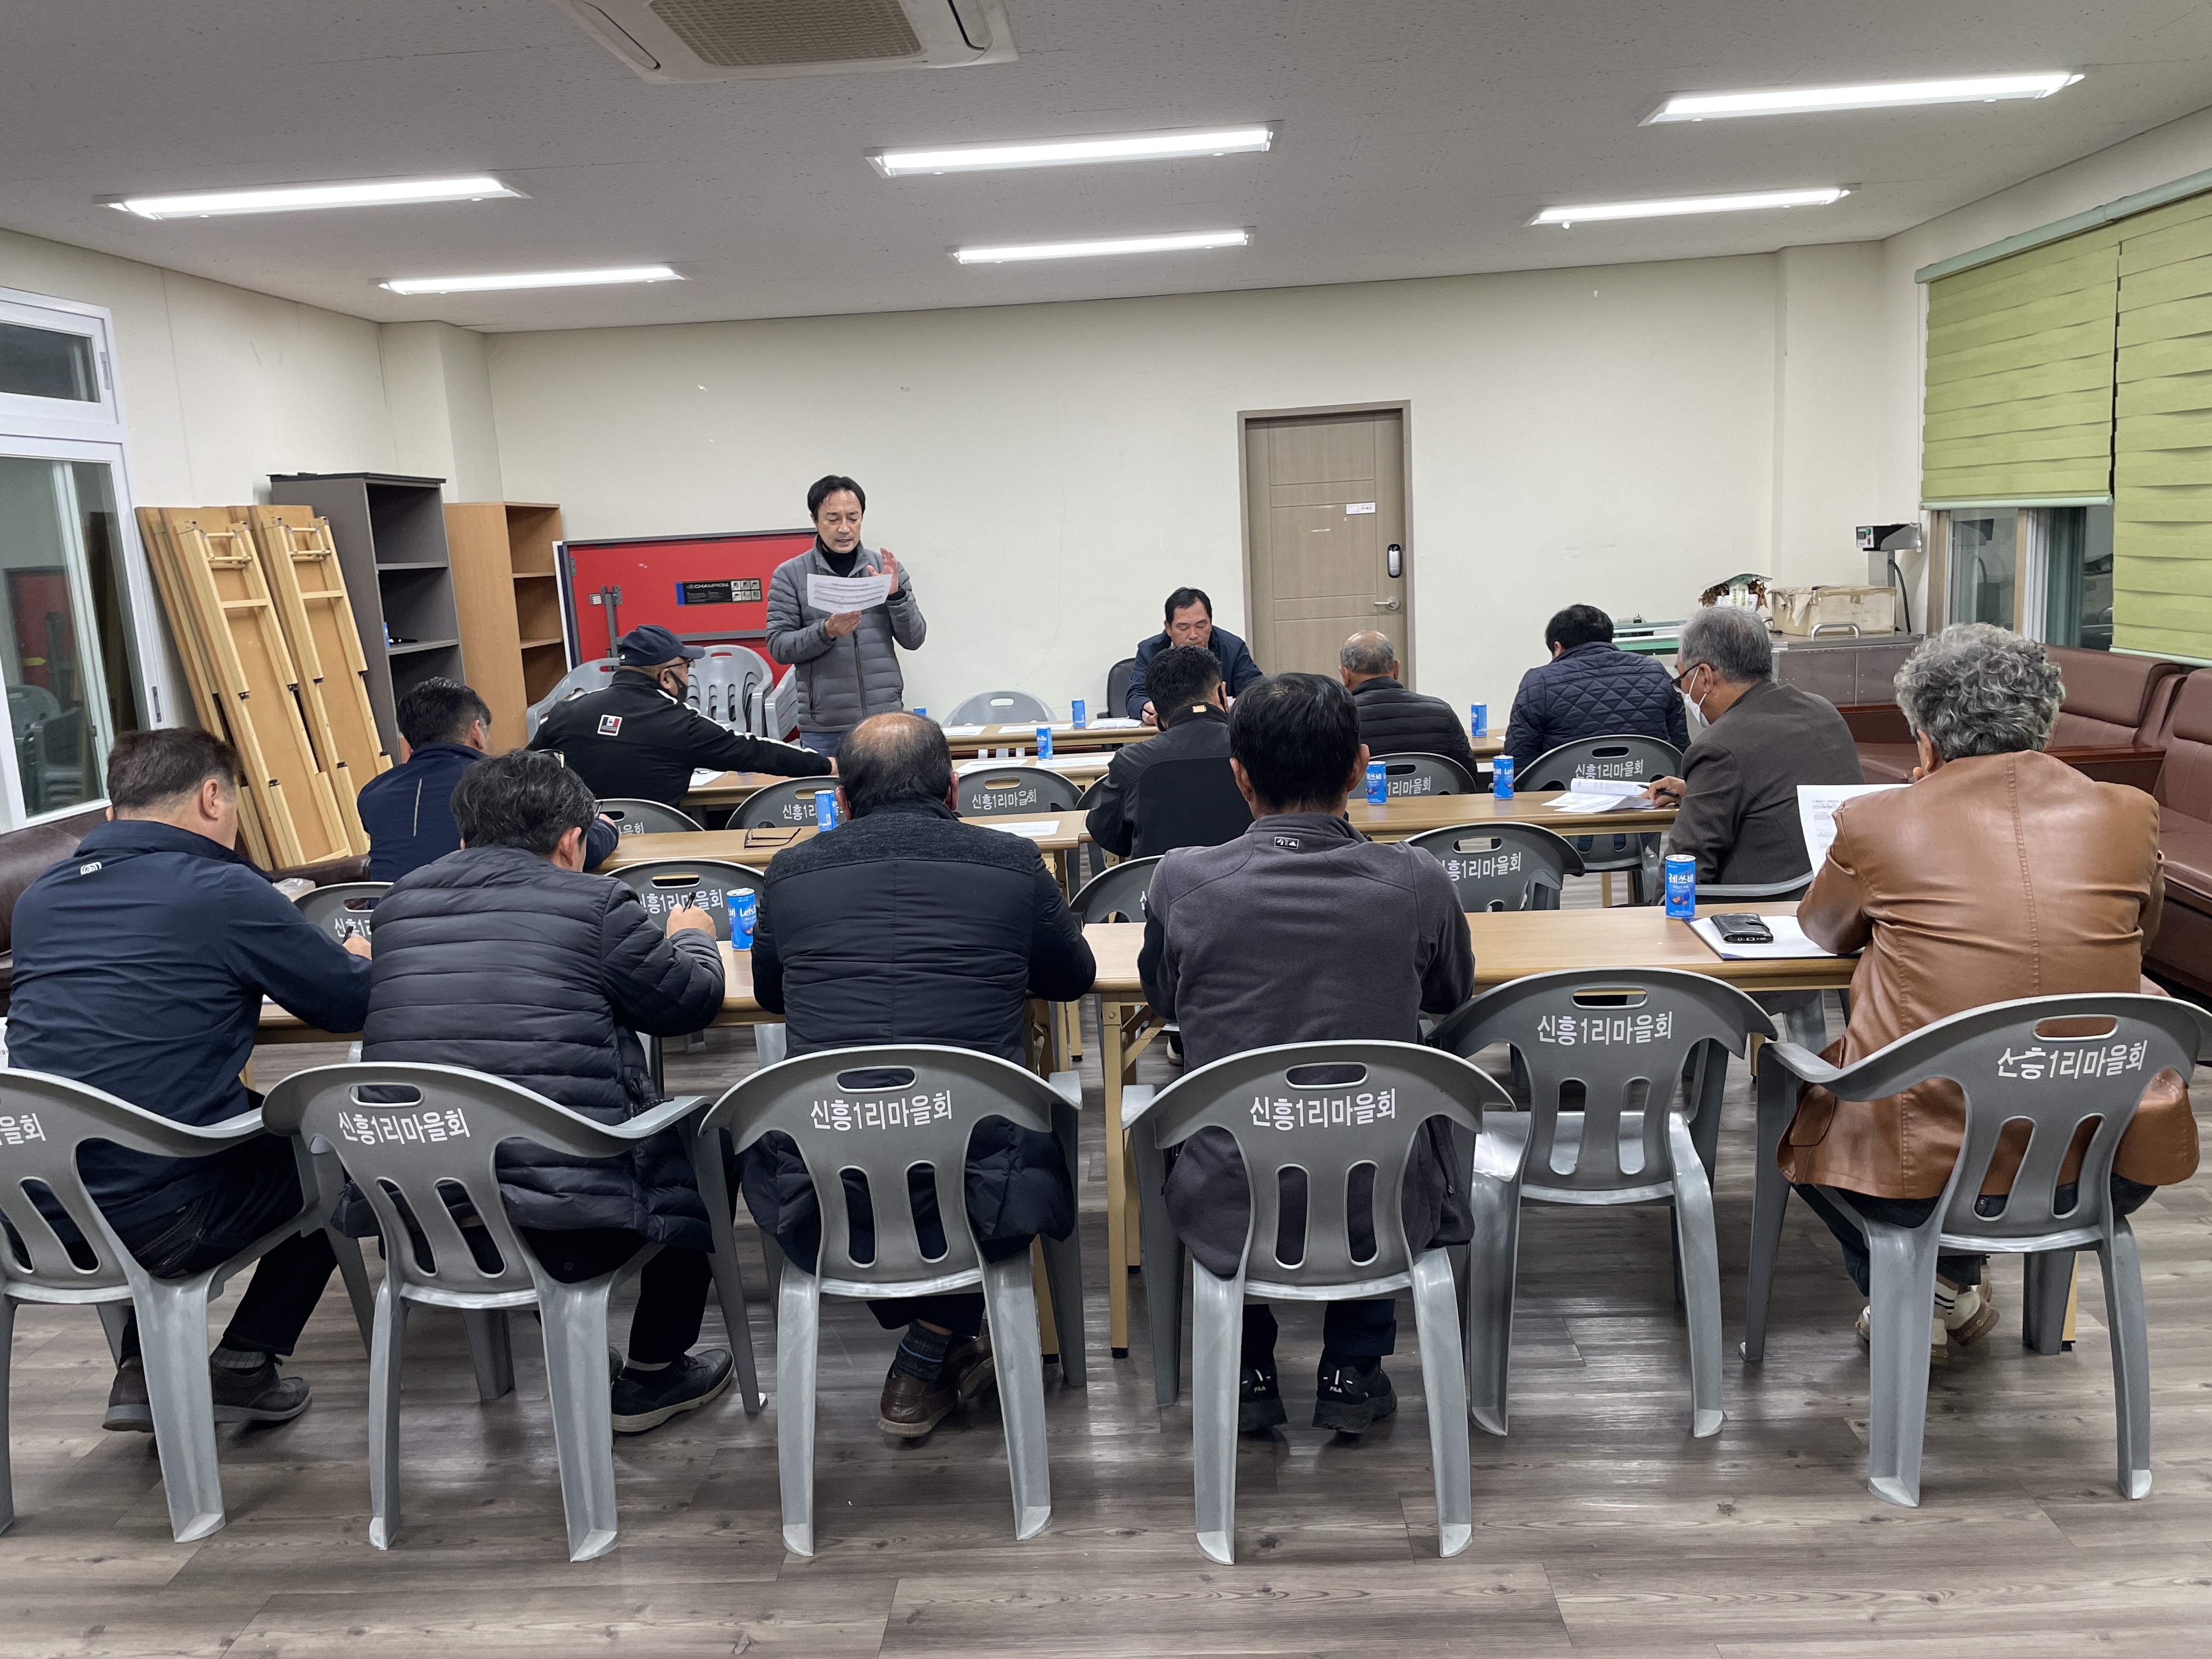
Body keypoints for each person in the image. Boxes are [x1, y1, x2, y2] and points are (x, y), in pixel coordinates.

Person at [1781, 626, 2197, 1364]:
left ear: (1925, 738)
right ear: (2046, 724)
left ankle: (1919, 1294)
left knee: (1803, 1104)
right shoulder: (2130, 814)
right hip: (2104, 1160)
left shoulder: (1876, 821)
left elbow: (1825, 930)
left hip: (1920, 1170)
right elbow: (2142, 935)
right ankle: (1950, 1288)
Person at [359, 749, 737, 1432]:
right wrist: (694, 939)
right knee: (708, 1140)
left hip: (419, 1220)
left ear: (465, 839)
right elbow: (686, 1004)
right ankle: (655, 1371)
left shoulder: (398, 907)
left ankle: (573, 1341)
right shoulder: (596, 904)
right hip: (566, 1229)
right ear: (572, 841)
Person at [739, 713, 1093, 1438]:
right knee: (1005, 1122)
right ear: (953, 789)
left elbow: (774, 994)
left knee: (911, 1150)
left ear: (842, 799)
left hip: (825, 1180)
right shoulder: (1011, 862)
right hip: (982, 1182)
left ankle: (934, 1344)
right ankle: (931, 1346)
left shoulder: (790, 872)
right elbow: (1072, 976)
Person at [7, 728, 373, 1430]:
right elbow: (345, 1003)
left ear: (114, 812)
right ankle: (244, 1364)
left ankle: (143, 1372)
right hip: (161, 1221)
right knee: (338, 1155)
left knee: (157, 1128)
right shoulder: (223, 890)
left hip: (30, 1213)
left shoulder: (41, 899)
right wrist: (357, 954)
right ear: (212, 797)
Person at [1138, 674, 1474, 1434]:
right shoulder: (1417, 880)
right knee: (1376, 1121)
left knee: (1227, 1124)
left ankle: (1250, 1367)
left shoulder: (1182, 880)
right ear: (1359, 767)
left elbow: (1165, 999)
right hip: (1384, 1196)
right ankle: (1354, 1368)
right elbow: (1450, 992)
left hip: (1232, 1194)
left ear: (1240, 776)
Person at [1650, 605, 1864, 884]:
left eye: (1682, 680)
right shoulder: (1823, 711)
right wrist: (1699, 791)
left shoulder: (1718, 748)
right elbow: (1776, 791)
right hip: (1845, 894)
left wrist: (1657, 907)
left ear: (1705, 676)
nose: (1684, 691)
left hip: (1765, 903)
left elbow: (1685, 868)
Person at [529, 624, 830, 810]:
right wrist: (824, 764)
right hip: (661, 846)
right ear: (666, 678)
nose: (688, 677)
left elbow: (528, 767)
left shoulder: (566, 712)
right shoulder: (681, 724)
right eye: (686, 668)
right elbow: (755, 750)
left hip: (580, 845)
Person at [359, 678, 616, 881]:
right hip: (474, 921)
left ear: (408, 744)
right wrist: (605, 827)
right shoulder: (502, 784)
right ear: (477, 733)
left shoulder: (373, 793)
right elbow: (579, 850)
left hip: (387, 924)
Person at [764, 474, 927, 759]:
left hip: (884, 721)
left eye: (853, 518)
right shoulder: (790, 575)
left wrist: (896, 596)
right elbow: (779, 646)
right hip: (825, 726)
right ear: (815, 520)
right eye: (833, 519)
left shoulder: (886, 569)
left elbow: (914, 639)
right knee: (830, 788)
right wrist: (826, 631)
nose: (844, 528)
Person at [1085, 644, 1232, 859]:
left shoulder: (1133, 761)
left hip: (1157, 879)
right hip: (1246, 879)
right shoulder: (1257, 749)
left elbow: (1112, 838)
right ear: (1222, 693)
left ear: (1155, 709)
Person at [1502, 604, 1686, 766]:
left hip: (1563, 792)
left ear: (1557, 647)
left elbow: (1518, 761)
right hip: (1650, 790)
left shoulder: (1539, 682)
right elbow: (1681, 749)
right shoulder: (1655, 672)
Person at [1338, 630, 1476, 772]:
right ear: (1396, 669)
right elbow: (1468, 773)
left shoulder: (1338, 718)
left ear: (1345, 675)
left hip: (1365, 788)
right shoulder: (1443, 714)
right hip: (1430, 787)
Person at [1126, 588, 1263, 726]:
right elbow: (1136, 697)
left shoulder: (1232, 648)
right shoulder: (1150, 651)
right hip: (1168, 730)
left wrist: (1239, 706)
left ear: (1211, 623)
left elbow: (1255, 690)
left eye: (1201, 626)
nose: (1193, 635)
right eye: (1184, 628)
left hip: (1220, 729)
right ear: (1168, 628)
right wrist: (1146, 709)